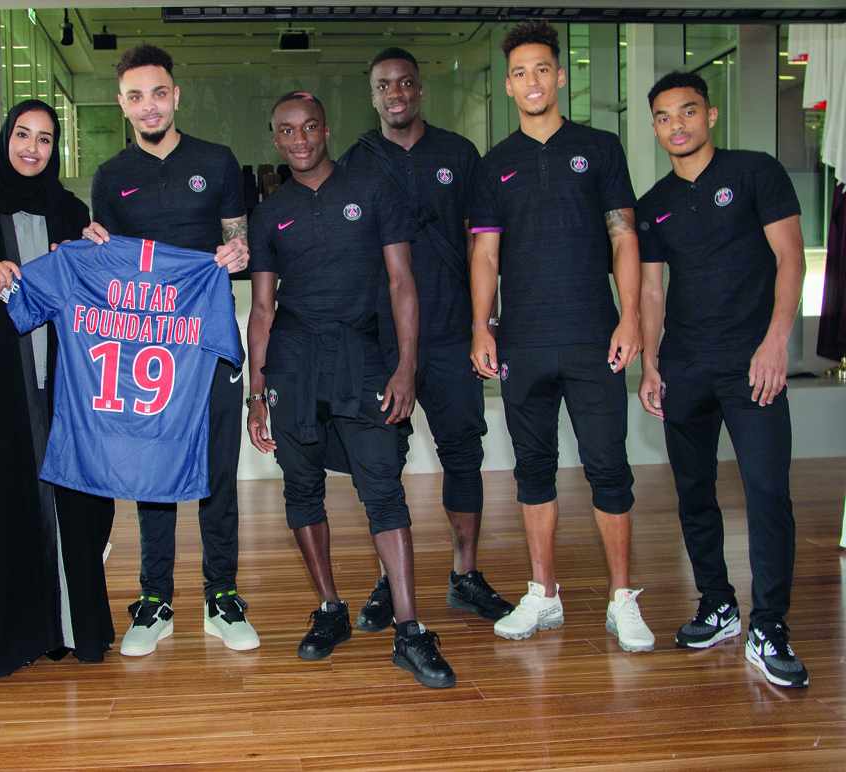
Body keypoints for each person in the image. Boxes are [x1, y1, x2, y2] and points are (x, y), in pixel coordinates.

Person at [247, 91, 455, 689]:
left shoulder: (372, 189)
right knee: (301, 488)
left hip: (362, 357)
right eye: (288, 130)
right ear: (275, 139)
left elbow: (401, 282)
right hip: (292, 362)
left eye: (310, 126)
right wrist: (256, 394)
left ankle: (409, 631)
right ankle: (331, 609)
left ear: (326, 129)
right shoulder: (269, 212)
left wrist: (406, 367)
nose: (300, 139)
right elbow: (262, 309)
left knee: (383, 488)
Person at [467, 21, 654, 652]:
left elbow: (624, 236)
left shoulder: (599, 148)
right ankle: (543, 594)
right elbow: (485, 254)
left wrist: (630, 317)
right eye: (520, 73)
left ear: (561, 75)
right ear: (509, 85)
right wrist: (480, 327)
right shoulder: (494, 165)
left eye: (542, 69)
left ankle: (621, 600)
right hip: (521, 341)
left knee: (609, 468)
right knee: (533, 469)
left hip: (593, 336)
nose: (532, 81)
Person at [84, 43, 259, 656]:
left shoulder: (217, 161)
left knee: (217, 473)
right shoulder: (110, 176)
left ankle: (221, 596)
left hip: (209, 341)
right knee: (152, 472)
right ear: (122, 104)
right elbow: (109, 266)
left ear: (176, 95)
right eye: (136, 96)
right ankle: (155, 600)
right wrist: (95, 246)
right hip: (144, 350)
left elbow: (239, 246)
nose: (149, 106)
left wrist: (236, 254)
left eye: (159, 93)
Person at [0, 100, 116, 679]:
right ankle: (11, 631)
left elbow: (104, 303)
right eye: (22, 134)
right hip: (0, 394)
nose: (32, 148)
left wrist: (93, 259)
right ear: (4, 140)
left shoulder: (72, 213)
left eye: (44, 138)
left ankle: (71, 627)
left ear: (55, 148)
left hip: (65, 387)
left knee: (71, 504)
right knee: (7, 502)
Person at [637, 73, 808, 687]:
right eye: (664, 117)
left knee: (766, 490)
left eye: (687, 112)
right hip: (684, 365)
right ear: (654, 128)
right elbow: (651, 289)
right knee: (694, 493)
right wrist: (650, 363)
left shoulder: (756, 171)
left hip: (751, 363)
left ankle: (770, 624)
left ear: (710, 115)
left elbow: (791, 256)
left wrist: (775, 343)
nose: (676, 125)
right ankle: (718, 604)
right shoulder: (653, 201)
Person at [340, 47, 513, 631]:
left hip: (452, 331)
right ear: (373, 95)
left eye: (405, 82)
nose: (396, 93)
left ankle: (465, 575)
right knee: (381, 462)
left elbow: (480, 246)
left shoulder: (459, 155)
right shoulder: (357, 161)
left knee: (463, 451)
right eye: (384, 85)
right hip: (382, 339)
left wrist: (486, 324)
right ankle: (391, 580)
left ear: (420, 89)